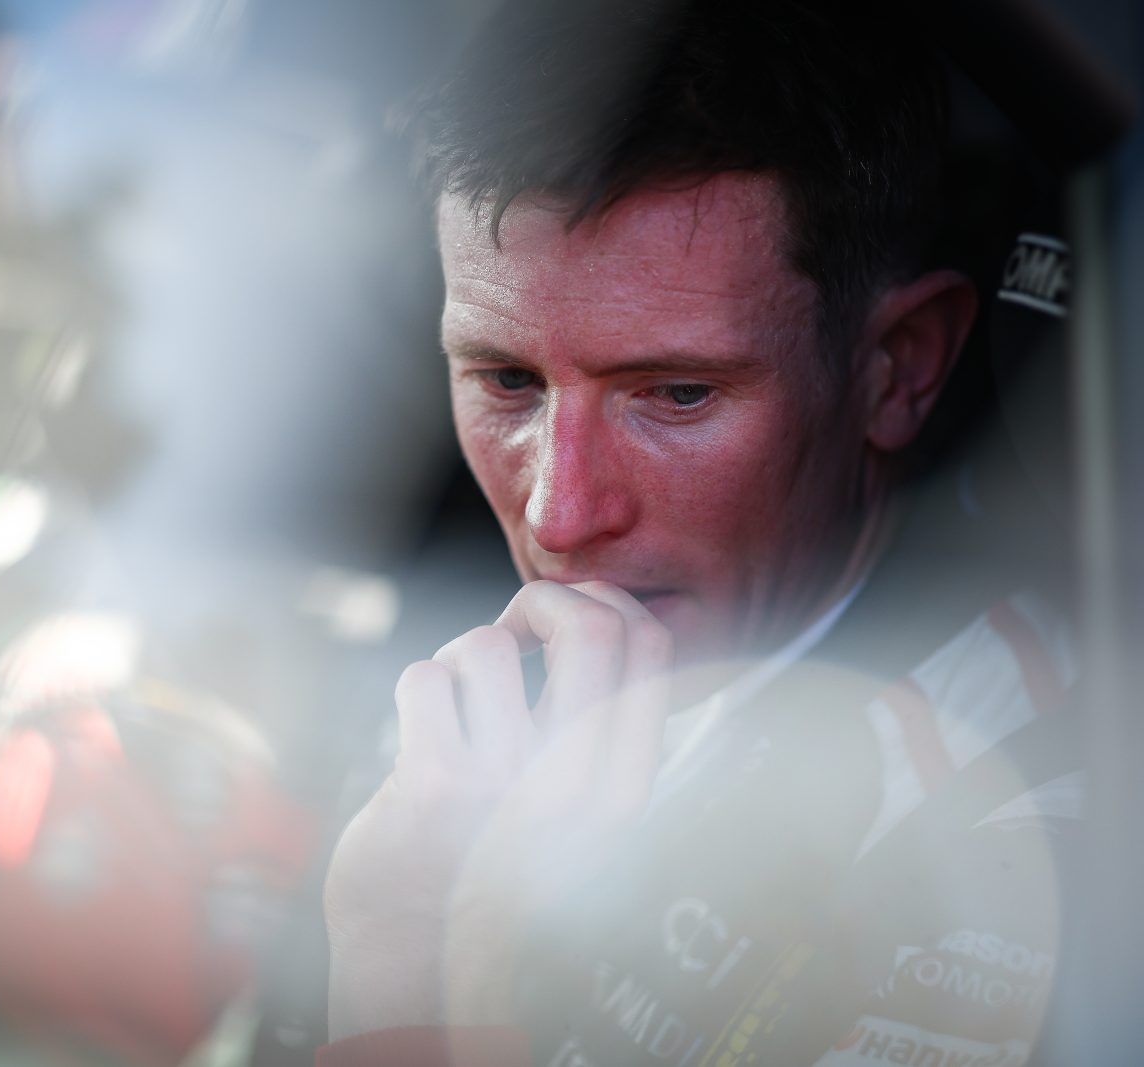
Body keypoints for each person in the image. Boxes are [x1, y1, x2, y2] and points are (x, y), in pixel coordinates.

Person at [319, 2, 1082, 1065]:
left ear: (897, 367)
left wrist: (413, 958)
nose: (558, 514)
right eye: (506, 380)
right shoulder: (446, 691)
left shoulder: (1023, 828)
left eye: (677, 394)